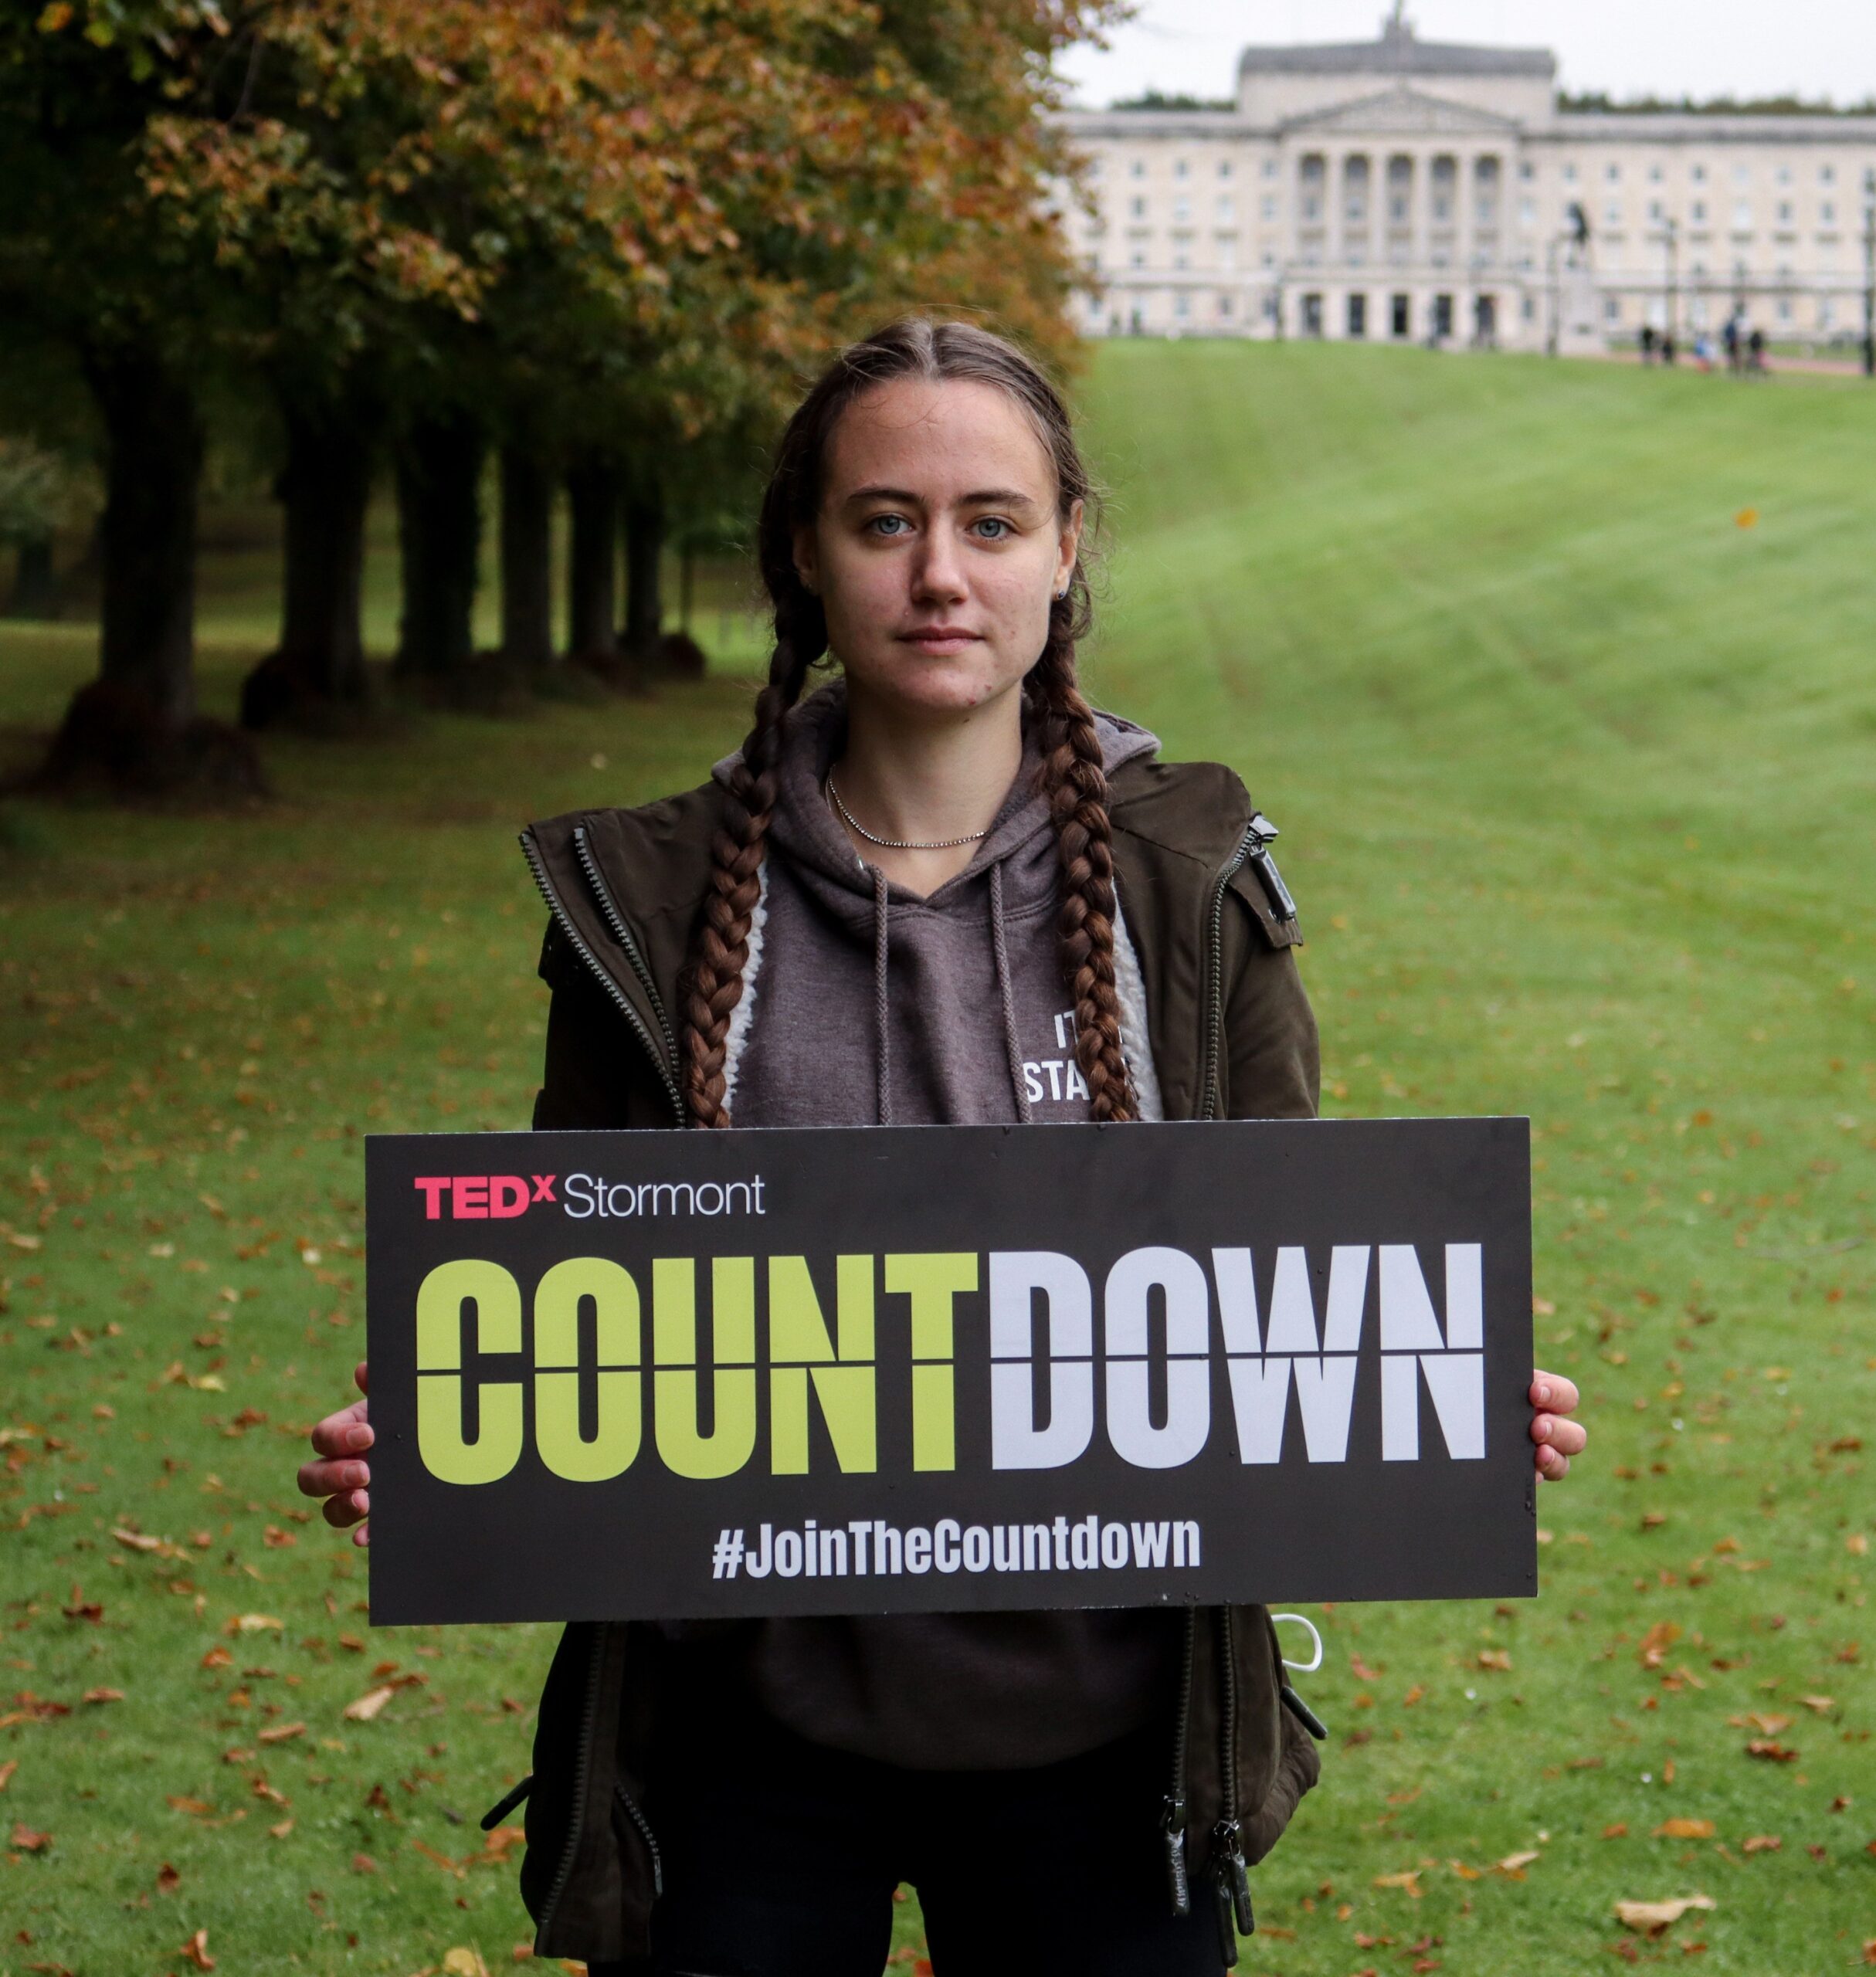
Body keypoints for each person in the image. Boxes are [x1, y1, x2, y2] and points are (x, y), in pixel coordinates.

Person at [297, 318, 1589, 1976]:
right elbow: (572, 1280)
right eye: (884, 520)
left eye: (990, 521)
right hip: (734, 1737)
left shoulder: (1187, 889)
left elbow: (1292, 1269)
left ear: (1065, 549)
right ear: (805, 551)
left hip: (1110, 1745)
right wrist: (446, 1427)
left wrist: (1432, 1394)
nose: (939, 574)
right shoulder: (656, 903)